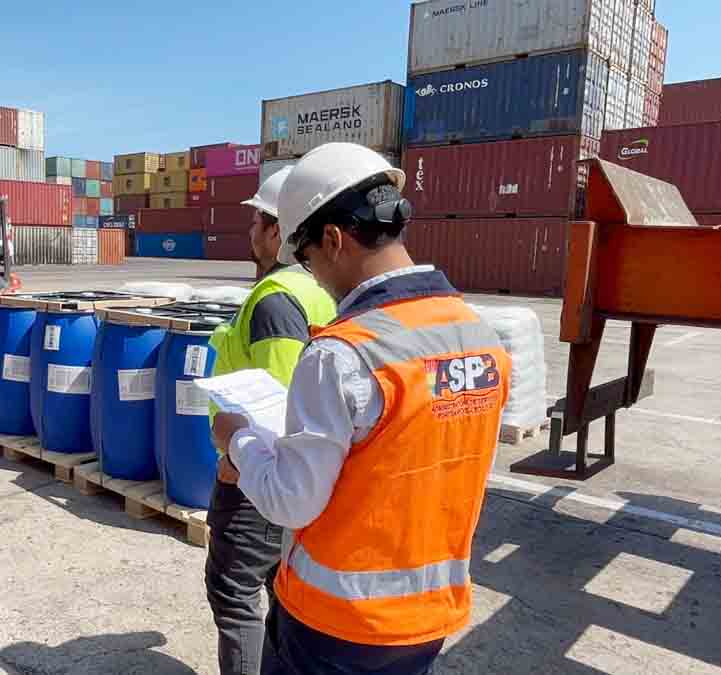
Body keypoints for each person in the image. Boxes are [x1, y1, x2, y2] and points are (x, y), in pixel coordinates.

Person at [212, 143, 512, 675]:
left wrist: (237, 439)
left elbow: (291, 501)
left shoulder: (343, 354)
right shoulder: (480, 337)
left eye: (306, 259)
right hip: (428, 617)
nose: (313, 276)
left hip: (336, 623)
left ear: (332, 239)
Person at [204, 166, 336, 675]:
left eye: (257, 221)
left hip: (257, 477)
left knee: (235, 596)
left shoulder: (276, 297)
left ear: (278, 230)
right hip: (290, 476)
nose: (250, 232)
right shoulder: (316, 288)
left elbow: (278, 402)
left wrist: (242, 463)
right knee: (281, 593)